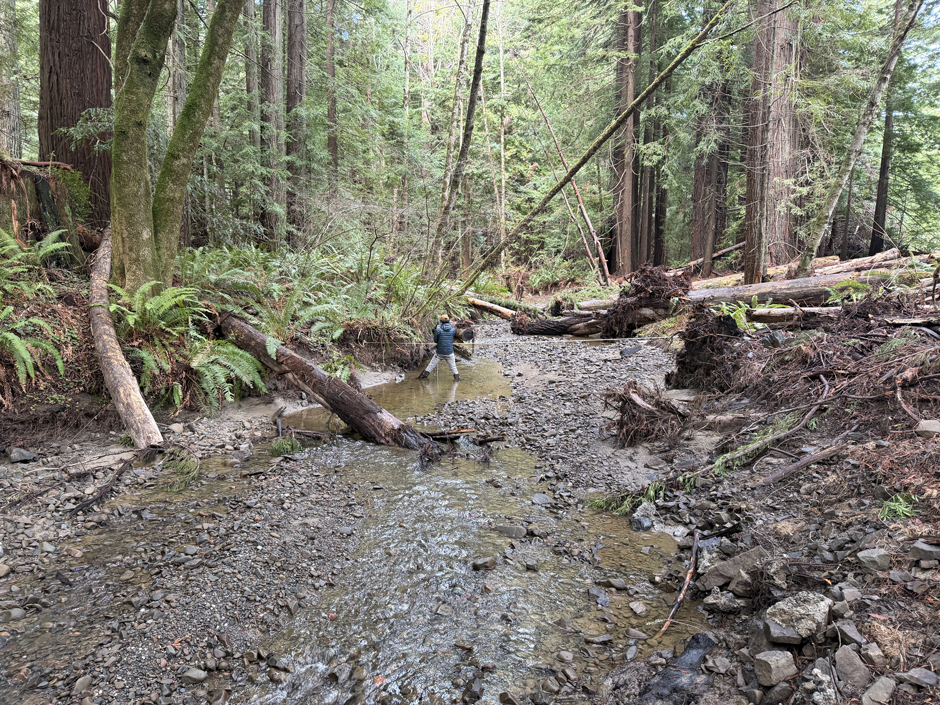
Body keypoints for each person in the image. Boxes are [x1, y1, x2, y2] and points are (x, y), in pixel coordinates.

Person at [418, 314, 460, 381]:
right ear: (449, 321)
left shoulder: (438, 330)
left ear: (441, 321)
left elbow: (435, 340)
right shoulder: (453, 330)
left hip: (439, 353)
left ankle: (422, 379)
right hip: (449, 352)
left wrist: (437, 330)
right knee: (453, 368)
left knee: (431, 366)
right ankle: (458, 380)